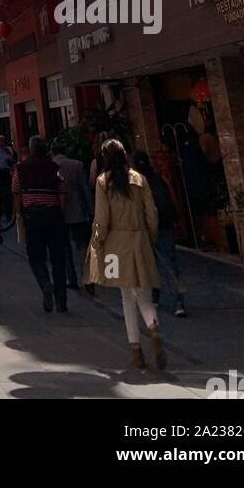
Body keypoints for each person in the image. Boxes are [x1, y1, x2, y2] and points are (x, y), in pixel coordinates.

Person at [86, 139, 164, 370]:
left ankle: (136, 350)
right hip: (140, 241)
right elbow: (152, 213)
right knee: (144, 295)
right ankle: (153, 327)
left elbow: (102, 218)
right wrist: (149, 238)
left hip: (115, 245)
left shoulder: (103, 182)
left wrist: (97, 242)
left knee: (126, 298)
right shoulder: (140, 179)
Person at [13, 135, 68, 313]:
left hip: (33, 216)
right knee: (58, 258)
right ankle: (61, 300)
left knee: (36, 257)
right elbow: (62, 192)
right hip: (53, 215)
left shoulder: (21, 168)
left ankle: (45, 283)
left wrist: (19, 214)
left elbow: (16, 192)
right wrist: (61, 213)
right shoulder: (54, 167)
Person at [132, 149, 186, 318]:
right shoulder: (160, 178)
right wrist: (177, 218)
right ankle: (178, 302)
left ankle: (154, 297)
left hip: (147, 227)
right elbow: (172, 198)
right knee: (169, 262)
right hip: (165, 224)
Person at [51, 140, 93, 293]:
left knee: (65, 248)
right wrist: (91, 209)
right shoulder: (77, 164)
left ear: (52, 152)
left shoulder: (52, 166)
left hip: (59, 212)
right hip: (78, 210)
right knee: (82, 246)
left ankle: (72, 278)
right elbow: (85, 189)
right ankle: (87, 278)